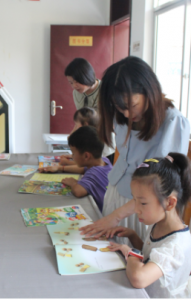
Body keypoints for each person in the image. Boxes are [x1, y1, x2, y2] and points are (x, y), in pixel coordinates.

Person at [79, 56, 190, 242]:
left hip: (143, 207)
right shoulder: (121, 114)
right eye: (120, 107)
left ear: (149, 90)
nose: (127, 114)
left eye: (132, 106)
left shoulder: (173, 122)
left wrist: (116, 216)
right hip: (115, 193)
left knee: (134, 260)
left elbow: (162, 185)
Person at [107, 153, 191, 298]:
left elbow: (139, 278)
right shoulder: (159, 223)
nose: (137, 209)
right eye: (135, 200)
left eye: (143, 203)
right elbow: (150, 256)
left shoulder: (176, 245)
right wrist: (132, 235)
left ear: (170, 203)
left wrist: (130, 251)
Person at [39, 126, 112, 212]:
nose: (72, 157)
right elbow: (82, 169)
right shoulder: (104, 161)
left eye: (73, 153)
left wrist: (73, 183)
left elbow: (78, 191)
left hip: (103, 214)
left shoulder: (94, 174)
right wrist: (60, 168)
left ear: (86, 156)